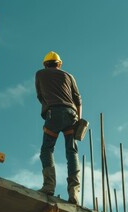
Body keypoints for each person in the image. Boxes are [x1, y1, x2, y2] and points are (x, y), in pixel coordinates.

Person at [35, 51, 82, 204]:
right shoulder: (69, 76)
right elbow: (78, 100)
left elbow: (40, 96)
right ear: (59, 64)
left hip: (54, 113)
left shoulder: (40, 74)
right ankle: (74, 192)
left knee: (47, 149)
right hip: (71, 114)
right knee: (72, 151)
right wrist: (79, 121)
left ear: (45, 64)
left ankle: (49, 186)